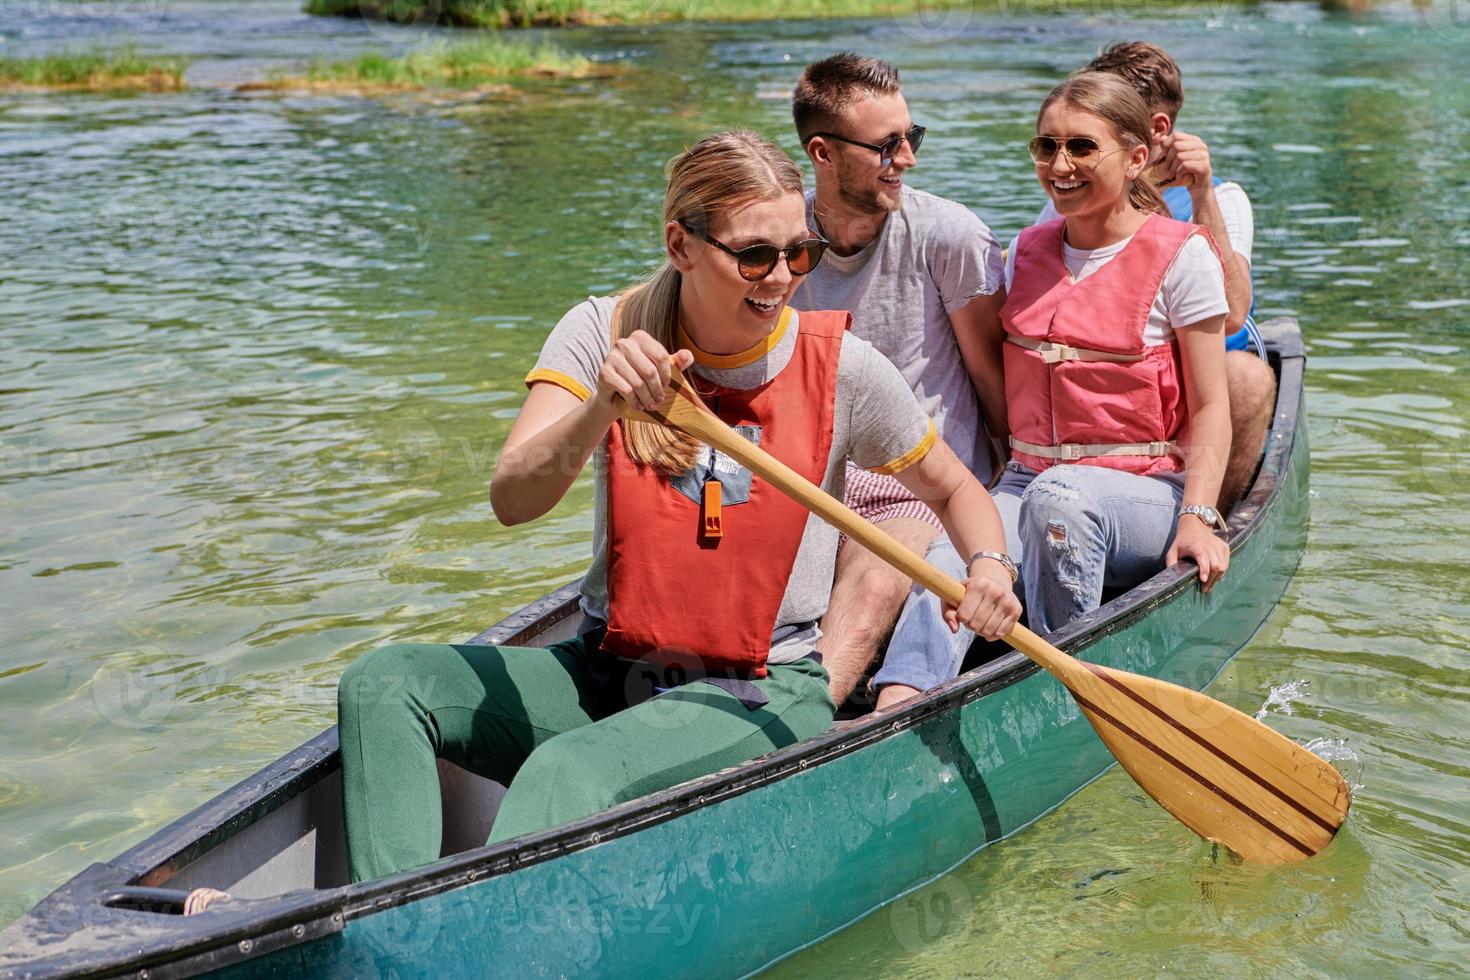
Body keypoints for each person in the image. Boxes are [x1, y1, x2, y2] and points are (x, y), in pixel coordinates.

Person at [328, 131, 1020, 883]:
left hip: (762, 689)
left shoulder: (845, 368)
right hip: (609, 671)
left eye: (800, 253)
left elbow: (956, 489)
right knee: (385, 682)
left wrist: (990, 566)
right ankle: (383, 926)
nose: (781, 277)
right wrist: (602, 408)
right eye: (754, 255)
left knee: (567, 774)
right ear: (679, 244)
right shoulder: (603, 330)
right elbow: (511, 500)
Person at [875, 73, 1232, 705]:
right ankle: (894, 708)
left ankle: (1056, 695)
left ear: (1137, 156)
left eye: (1081, 148)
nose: (1059, 165)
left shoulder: (1184, 256)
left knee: (1060, 500)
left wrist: (1198, 516)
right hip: (1025, 479)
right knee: (951, 563)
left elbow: (1209, 408)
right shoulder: (1025, 251)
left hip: (1145, 493)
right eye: (1046, 147)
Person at [788, 53, 1009, 711]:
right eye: (887, 145)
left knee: (882, 569)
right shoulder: (774, 243)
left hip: (922, 481)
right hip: (813, 478)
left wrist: (1002, 500)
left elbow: (989, 375)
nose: (907, 158)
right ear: (822, 153)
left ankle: (801, 725)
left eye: (913, 137)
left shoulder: (950, 235)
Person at [1038, 42, 1276, 514]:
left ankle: (1206, 519)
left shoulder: (1223, 199)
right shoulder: (1073, 193)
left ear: (1157, 129)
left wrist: (1201, 192)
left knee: (1246, 378)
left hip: (1196, 379)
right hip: (1118, 373)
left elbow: (1232, 316)